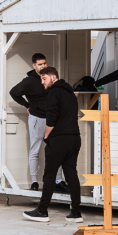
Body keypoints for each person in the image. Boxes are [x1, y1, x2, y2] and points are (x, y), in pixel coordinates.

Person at [24, 66, 83, 223]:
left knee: (49, 175)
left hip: (59, 139)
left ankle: (42, 211)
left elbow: (51, 118)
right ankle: (76, 212)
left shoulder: (53, 93)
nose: (42, 82)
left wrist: (46, 136)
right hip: (74, 138)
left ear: (53, 78)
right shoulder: (70, 93)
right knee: (71, 174)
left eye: (44, 79)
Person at [10, 53, 63, 191]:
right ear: (34, 66)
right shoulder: (29, 81)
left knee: (56, 150)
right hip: (37, 118)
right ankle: (34, 182)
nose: (43, 66)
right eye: (40, 64)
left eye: (44, 63)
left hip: (53, 119)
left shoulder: (51, 77)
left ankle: (58, 181)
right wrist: (27, 105)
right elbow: (13, 92)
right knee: (35, 150)